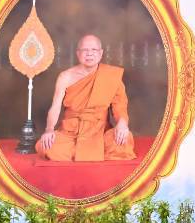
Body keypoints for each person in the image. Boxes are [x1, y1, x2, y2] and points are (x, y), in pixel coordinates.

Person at [37, 34, 134, 162]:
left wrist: (122, 124)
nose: (89, 54)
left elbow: (120, 106)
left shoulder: (111, 76)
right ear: (78, 53)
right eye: (85, 50)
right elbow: (55, 107)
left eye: (94, 50)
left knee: (124, 140)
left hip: (99, 131)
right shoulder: (65, 77)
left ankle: (80, 153)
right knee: (47, 146)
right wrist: (49, 130)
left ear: (101, 53)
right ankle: (95, 153)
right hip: (72, 132)